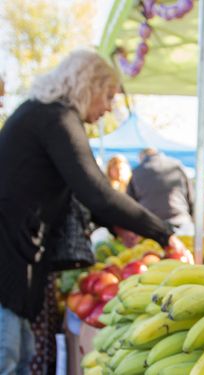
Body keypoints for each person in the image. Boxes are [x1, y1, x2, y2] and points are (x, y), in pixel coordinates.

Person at [0, 49, 185, 374]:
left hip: (16, 255)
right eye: (109, 96)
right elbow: (96, 191)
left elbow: (76, 192)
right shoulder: (56, 118)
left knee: (20, 354)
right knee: (8, 356)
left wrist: (118, 228)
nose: (109, 108)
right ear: (90, 85)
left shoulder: (41, 114)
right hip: (8, 258)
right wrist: (162, 233)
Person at [127, 148, 194, 232]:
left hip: (151, 224)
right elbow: (191, 195)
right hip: (180, 220)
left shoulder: (136, 171)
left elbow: (130, 202)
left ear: (142, 157)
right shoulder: (176, 165)